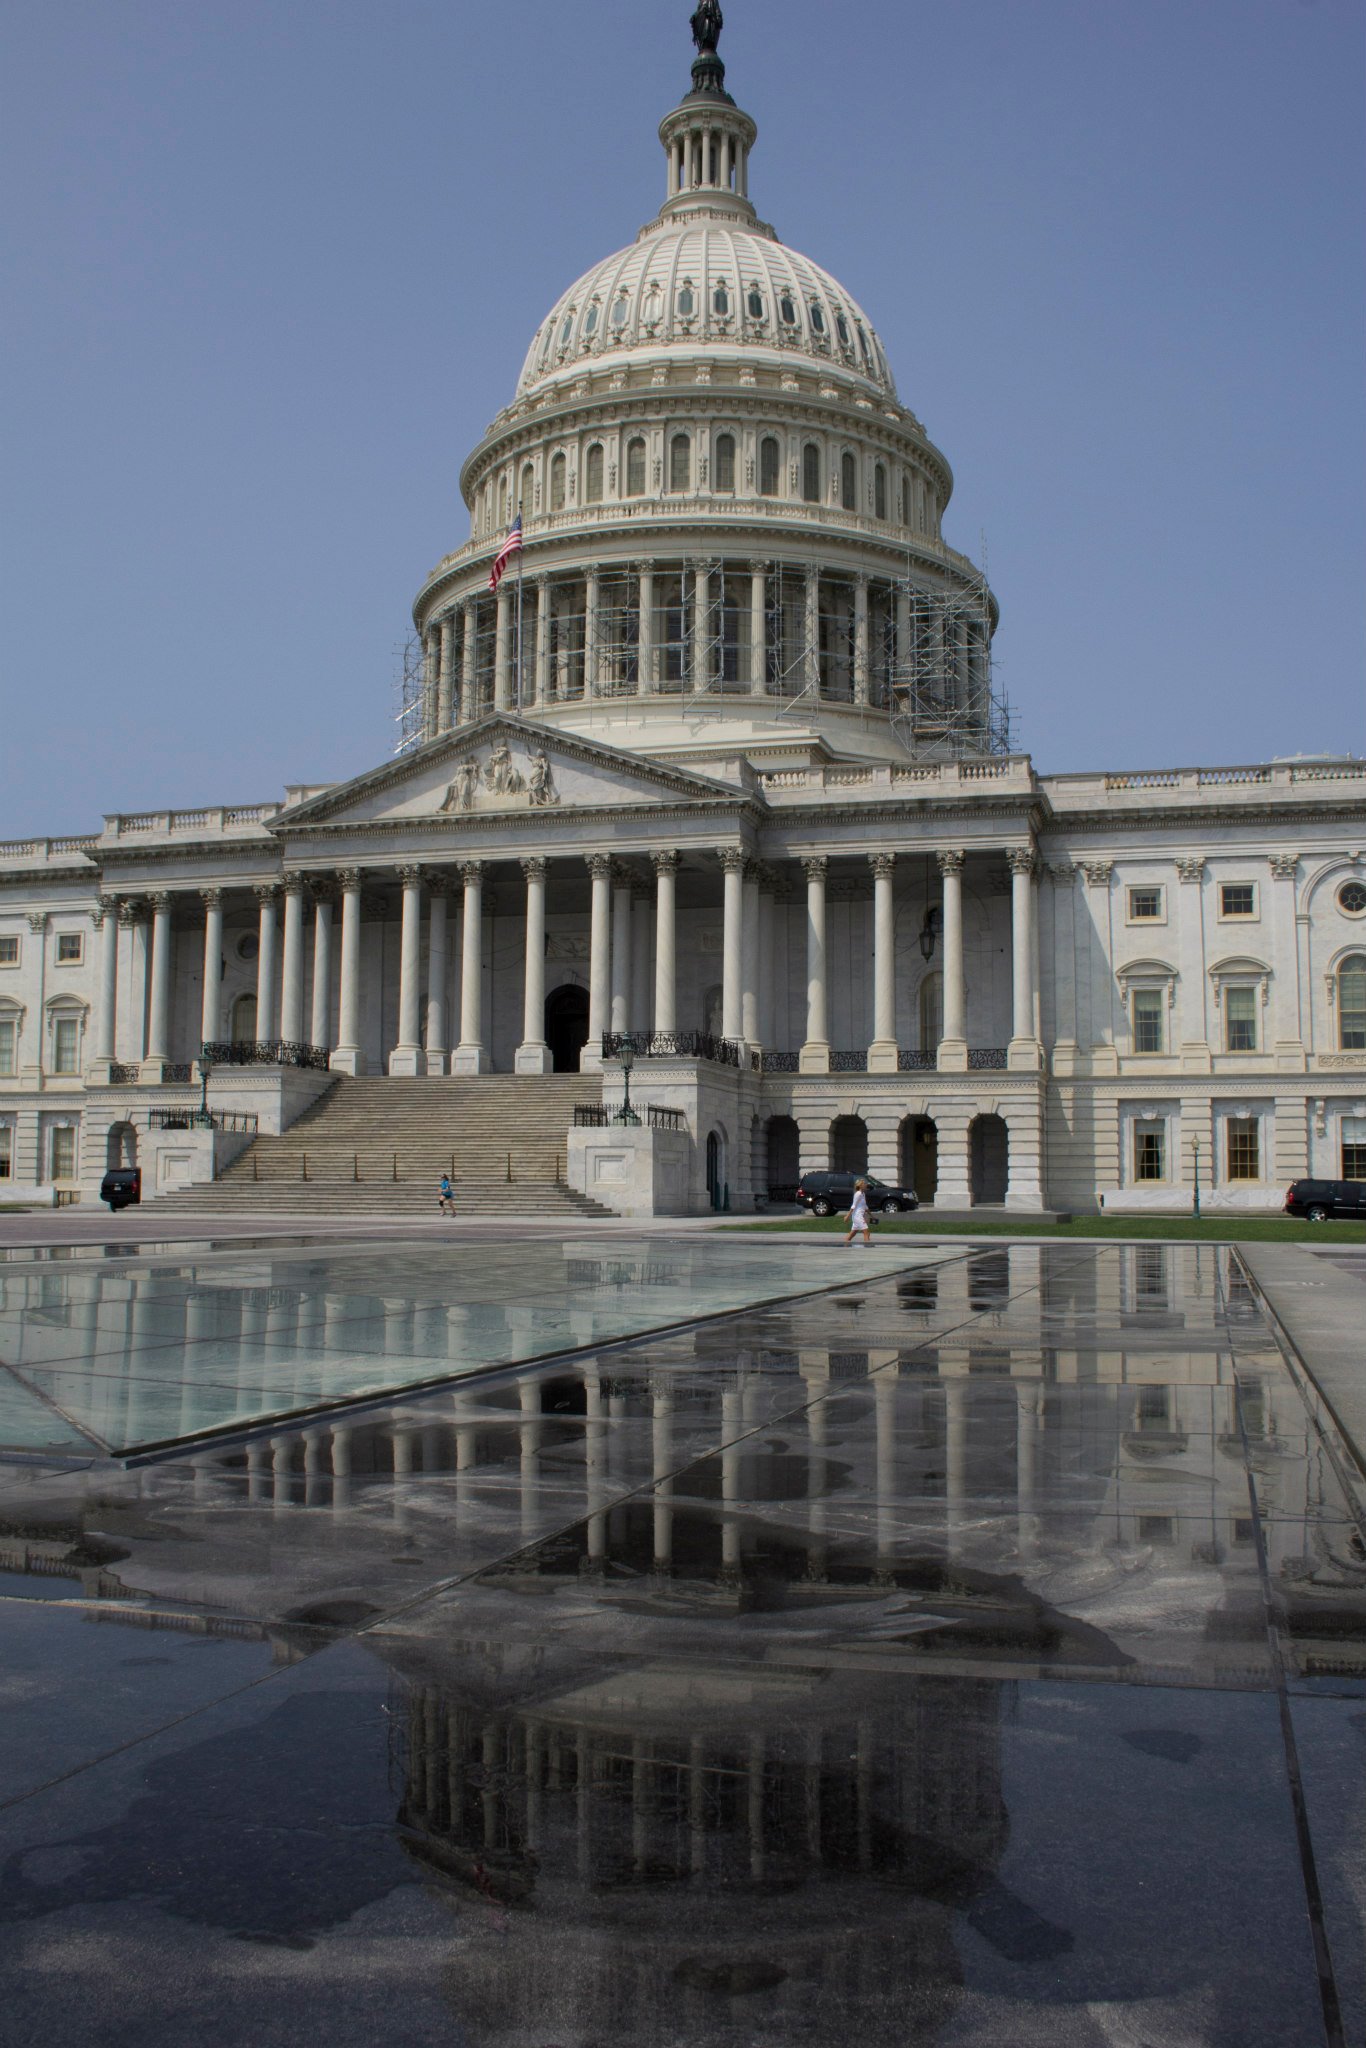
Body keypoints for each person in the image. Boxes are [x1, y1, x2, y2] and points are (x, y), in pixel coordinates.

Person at [844, 1177, 872, 1247]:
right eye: (864, 1184)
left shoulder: (863, 1194)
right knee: (866, 1232)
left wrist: (872, 1216)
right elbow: (853, 1205)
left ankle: (845, 1246)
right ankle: (867, 1248)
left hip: (859, 1216)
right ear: (860, 1185)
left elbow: (865, 1207)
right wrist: (847, 1216)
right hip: (857, 1216)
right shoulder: (858, 1194)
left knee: (852, 1234)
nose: (866, 1185)